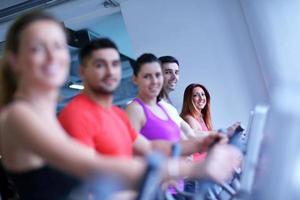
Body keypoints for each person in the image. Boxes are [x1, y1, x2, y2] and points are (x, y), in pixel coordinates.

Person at [0, 11, 181, 200]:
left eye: (57, 46)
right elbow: (95, 168)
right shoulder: (17, 115)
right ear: (14, 60)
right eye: (37, 48)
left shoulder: (44, 116)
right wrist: (184, 169)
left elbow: (87, 190)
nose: (52, 56)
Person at [57, 38, 240, 187]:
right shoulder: (77, 114)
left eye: (114, 64)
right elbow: (97, 171)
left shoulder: (115, 113)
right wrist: (190, 169)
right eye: (99, 65)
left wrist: (204, 142)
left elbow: (151, 147)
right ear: (82, 71)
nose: (109, 71)